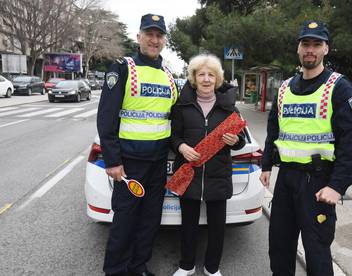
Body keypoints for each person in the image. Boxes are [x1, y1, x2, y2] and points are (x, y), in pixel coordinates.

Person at [260, 20, 352, 275]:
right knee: (280, 248)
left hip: (318, 184)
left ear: (326, 49)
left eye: (317, 44)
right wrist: (266, 166)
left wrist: (337, 186)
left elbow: (351, 145)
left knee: (316, 253)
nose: (310, 49)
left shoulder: (338, 87)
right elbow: (274, 130)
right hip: (286, 181)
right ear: (298, 48)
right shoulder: (284, 89)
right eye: (306, 43)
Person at [97, 13, 178, 276]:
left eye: (159, 35)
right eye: (149, 34)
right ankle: (116, 271)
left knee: (149, 221)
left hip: (157, 163)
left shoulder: (168, 76)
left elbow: (176, 114)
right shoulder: (122, 67)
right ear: (139, 36)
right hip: (129, 164)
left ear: (164, 40)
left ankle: (138, 267)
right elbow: (106, 118)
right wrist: (113, 161)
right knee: (125, 221)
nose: (154, 40)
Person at [170, 54, 246, 276]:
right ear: (194, 78)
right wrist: (181, 147)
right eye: (201, 74)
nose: (205, 79)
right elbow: (173, 137)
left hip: (218, 175)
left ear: (217, 79)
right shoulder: (182, 106)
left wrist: (236, 141)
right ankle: (186, 265)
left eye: (210, 75)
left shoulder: (229, 108)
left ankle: (212, 268)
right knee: (188, 226)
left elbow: (240, 139)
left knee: (217, 228)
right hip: (189, 174)